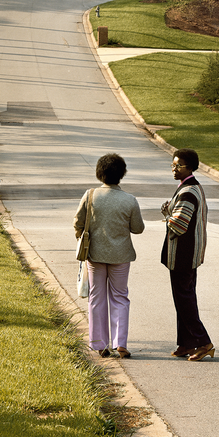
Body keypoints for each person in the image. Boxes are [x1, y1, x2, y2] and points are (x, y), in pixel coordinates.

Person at [75, 153, 145, 358]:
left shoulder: (90, 195)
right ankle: (120, 342)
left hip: (95, 254)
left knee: (96, 297)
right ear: (121, 175)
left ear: (100, 174)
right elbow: (137, 228)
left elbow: (77, 222)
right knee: (120, 297)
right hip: (121, 255)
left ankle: (99, 343)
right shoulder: (130, 200)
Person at [160, 148, 215, 362]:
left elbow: (180, 224)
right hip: (189, 253)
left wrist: (167, 214)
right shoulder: (191, 187)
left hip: (183, 254)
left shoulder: (188, 191)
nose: (174, 169)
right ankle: (186, 343)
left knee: (184, 300)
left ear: (190, 168)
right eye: (173, 165)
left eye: (178, 166)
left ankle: (203, 343)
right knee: (184, 298)